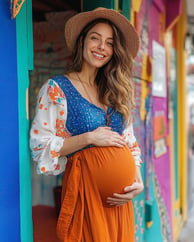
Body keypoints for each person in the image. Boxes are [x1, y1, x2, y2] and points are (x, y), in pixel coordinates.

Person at [30, 7, 144, 242]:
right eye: (95, 38)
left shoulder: (116, 90)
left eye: (109, 42)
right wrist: (89, 138)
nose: (102, 47)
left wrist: (138, 179)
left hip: (120, 204)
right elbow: (39, 145)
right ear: (82, 41)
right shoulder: (57, 89)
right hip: (86, 198)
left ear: (115, 51)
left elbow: (128, 139)